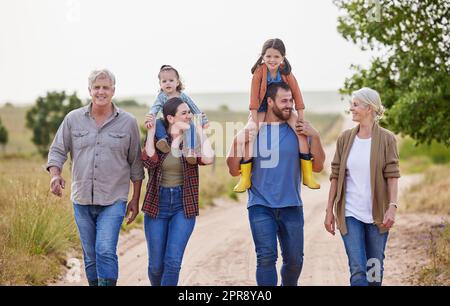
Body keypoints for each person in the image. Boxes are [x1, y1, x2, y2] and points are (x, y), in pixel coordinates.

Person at [47, 69, 144, 286]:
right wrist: (55, 175)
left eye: (106, 87)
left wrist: (135, 199)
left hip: (114, 199)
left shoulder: (128, 122)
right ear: (89, 90)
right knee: (90, 255)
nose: (101, 91)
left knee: (105, 250)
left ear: (113, 91)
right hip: (81, 199)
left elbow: (136, 164)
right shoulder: (73, 119)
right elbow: (57, 151)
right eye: (97, 87)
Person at [226, 82, 325, 286]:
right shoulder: (254, 131)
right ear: (270, 102)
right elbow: (233, 169)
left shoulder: (297, 130)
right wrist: (236, 141)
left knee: (295, 260)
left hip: (291, 205)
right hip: (260, 206)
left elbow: (318, 167)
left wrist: (315, 135)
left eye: (291, 100)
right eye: (284, 101)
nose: (289, 105)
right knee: (266, 258)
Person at [324, 87, 400, 286]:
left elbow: (392, 176)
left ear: (369, 108)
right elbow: (335, 175)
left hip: (378, 215)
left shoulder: (387, 139)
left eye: (355, 104)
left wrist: (392, 207)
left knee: (374, 269)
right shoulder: (345, 139)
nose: (351, 108)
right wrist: (329, 210)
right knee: (358, 270)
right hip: (350, 213)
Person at [141, 97, 214, 286]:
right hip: (157, 204)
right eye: (184, 113)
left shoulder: (191, 141)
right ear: (171, 118)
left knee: (172, 262)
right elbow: (148, 161)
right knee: (156, 266)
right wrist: (150, 134)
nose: (189, 115)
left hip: (183, 205)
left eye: (190, 112)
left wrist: (200, 130)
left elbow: (208, 159)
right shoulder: (160, 139)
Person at [233, 38, 320, 193]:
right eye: (268, 56)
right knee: (250, 135)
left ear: (283, 58)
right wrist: (254, 120)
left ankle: (307, 174)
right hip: (260, 109)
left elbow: (297, 95)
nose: (272, 60)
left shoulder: (286, 73)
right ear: (262, 57)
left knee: (300, 132)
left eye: (276, 57)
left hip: (283, 107)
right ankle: (245, 177)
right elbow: (253, 98)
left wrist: (300, 117)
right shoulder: (259, 73)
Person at [145, 65, 209, 164]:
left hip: (183, 121)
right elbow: (154, 108)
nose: (168, 83)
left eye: (171, 80)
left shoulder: (182, 96)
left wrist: (203, 121)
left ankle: (190, 150)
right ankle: (163, 141)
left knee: (191, 126)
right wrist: (150, 118)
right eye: (164, 81)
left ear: (177, 82)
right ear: (160, 84)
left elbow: (194, 108)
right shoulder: (161, 96)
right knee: (158, 122)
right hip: (167, 121)